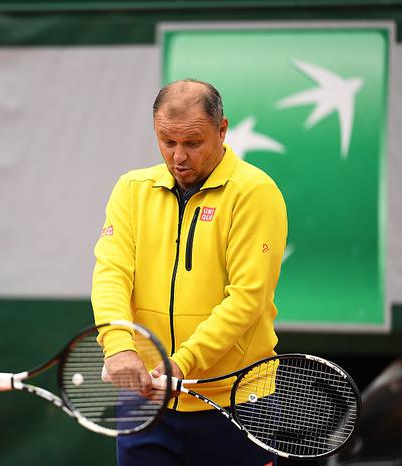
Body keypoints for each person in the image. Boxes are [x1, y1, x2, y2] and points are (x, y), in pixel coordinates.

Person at [92, 79, 287, 466]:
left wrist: (181, 363)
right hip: (146, 401)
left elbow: (247, 298)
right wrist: (118, 346)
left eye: (192, 143)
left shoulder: (255, 192)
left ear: (222, 130)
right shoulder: (131, 189)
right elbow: (111, 273)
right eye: (167, 141)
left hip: (237, 402)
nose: (178, 156)